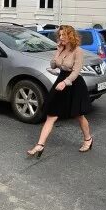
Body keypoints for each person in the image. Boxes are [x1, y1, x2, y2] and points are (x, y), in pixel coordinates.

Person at [27, 25, 93, 158]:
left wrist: (65, 82)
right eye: (60, 35)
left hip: (74, 84)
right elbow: (53, 65)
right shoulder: (61, 49)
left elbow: (76, 72)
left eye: (64, 35)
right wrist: (57, 52)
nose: (61, 37)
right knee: (51, 115)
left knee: (78, 115)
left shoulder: (78, 51)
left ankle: (88, 139)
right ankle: (40, 145)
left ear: (71, 36)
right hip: (60, 81)